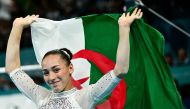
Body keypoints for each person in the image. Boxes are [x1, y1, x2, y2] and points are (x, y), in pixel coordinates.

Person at [5, 8, 143, 109]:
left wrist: (124, 28)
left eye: (56, 69)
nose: (51, 77)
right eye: (46, 72)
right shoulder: (40, 96)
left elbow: (120, 70)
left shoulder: (85, 97)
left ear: (70, 68)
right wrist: (17, 26)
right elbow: (12, 69)